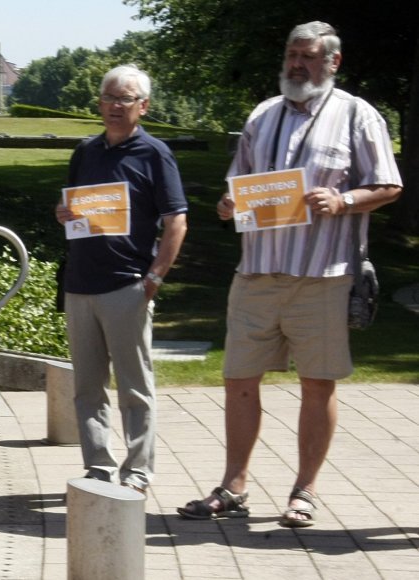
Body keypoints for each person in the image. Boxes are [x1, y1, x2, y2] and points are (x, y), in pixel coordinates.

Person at [178, 21, 402, 527]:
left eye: (306, 57)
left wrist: (343, 200)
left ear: (332, 62)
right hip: (256, 271)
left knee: (317, 384)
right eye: (290, 56)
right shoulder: (262, 115)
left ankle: (304, 492)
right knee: (237, 380)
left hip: (321, 274)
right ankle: (233, 486)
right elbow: (239, 185)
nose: (295, 65)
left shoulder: (357, 116)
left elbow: (388, 185)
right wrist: (228, 203)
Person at [55, 65, 189, 494]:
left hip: (127, 286)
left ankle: (137, 472)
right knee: (87, 389)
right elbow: (74, 211)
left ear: (143, 107)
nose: (114, 105)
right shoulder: (86, 151)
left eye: (124, 99)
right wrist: (64, 214)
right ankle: (97, 467)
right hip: (80, 285)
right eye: (108, 98)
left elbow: (177, 222)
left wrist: (154, 278)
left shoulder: (155, 154)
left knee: (135, 388)